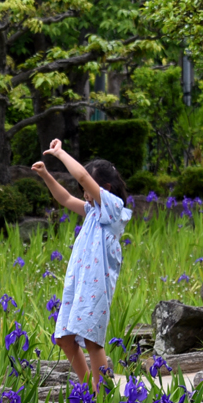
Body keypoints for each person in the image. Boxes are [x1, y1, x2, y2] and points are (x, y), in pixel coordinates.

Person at [32, 140, 131, 388]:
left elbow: (84, 176)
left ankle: (101, 399)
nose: (83, 193)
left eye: (86, 189)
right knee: (64, 338)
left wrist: (60, 153)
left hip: (96, 286)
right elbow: (64, 198)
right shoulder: (93, 210)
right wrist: (46, 175)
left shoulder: (114, 209)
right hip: (78, 283)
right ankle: (90, 391)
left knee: (92, 341)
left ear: (105, 188)